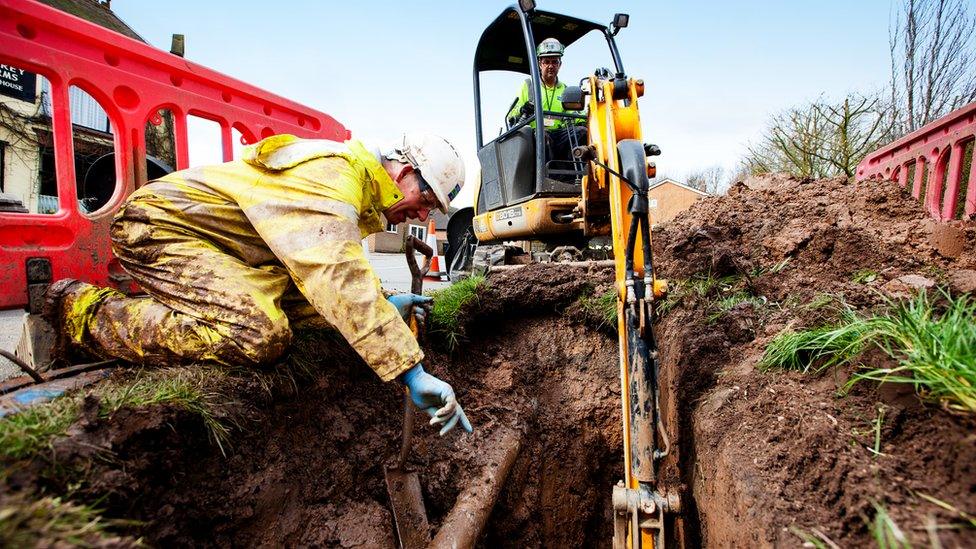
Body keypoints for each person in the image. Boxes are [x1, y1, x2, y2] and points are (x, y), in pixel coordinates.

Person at [44, 133, 472, 435]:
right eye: (428, 200)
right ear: (405, 173)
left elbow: (320, 271)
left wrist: (385, 299)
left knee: (321, 317)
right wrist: (411, 372)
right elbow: (335, 273)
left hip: (235, 253)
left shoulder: (356, 191)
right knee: (257, 333)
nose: (423, 215)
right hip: (162, 227)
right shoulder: (333, 176)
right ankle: (85, 313)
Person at [507, 37, 587, 171]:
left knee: (581, 132)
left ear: (560, 65)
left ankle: (573, 175)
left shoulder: (564, 90)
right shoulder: (530, 86)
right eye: (547, 62)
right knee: (542, 136)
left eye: (555, 62)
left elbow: (575, 115)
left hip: (558, 134)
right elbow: (512, 115)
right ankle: (548, 178)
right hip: (536, 135)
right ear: (540, 64)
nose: (551, 66)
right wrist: (522, 109)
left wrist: (586, 120)